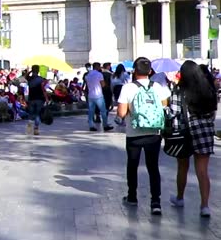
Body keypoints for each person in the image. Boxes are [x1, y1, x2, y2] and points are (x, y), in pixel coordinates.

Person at [116, 57, 169, 216]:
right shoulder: (158, 87)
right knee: (153, 167)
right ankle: (155, 202)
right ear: (150, 71)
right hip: (153, 133)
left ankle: (132, 196)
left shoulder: (128, 88)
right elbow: (164, 105)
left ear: (134, 71)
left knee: (132, 165)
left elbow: (121, 113)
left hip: (134, 134)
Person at [169, 61, 217, 218]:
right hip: (204, 132)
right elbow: (212, 113)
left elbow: (173, 114)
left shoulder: (179, 91)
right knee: (203, 170)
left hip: (185, 133)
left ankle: (180, 197)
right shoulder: (208, 90)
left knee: (182, 166)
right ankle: (204, 206)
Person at [85, 62, 113, 132]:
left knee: (91, 111)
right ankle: (105, 125)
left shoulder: (87, 75)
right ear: (97, 67)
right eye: (99, 66)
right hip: (98, 95)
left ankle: (91, 126)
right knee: (103, 111)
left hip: (90, 95)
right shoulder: (99, 74)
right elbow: (103, 85)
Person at [26, 65, 49, 136]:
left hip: (31, 98)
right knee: (37, 114)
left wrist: (30, 71)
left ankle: (29, 130)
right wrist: (46, 98)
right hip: (39, 98)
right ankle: (36, 129)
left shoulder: (29, 78)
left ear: (32, 70)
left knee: (31, 114)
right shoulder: (41, 79)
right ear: (38, 71)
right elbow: (43, 90)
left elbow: (26, 76)